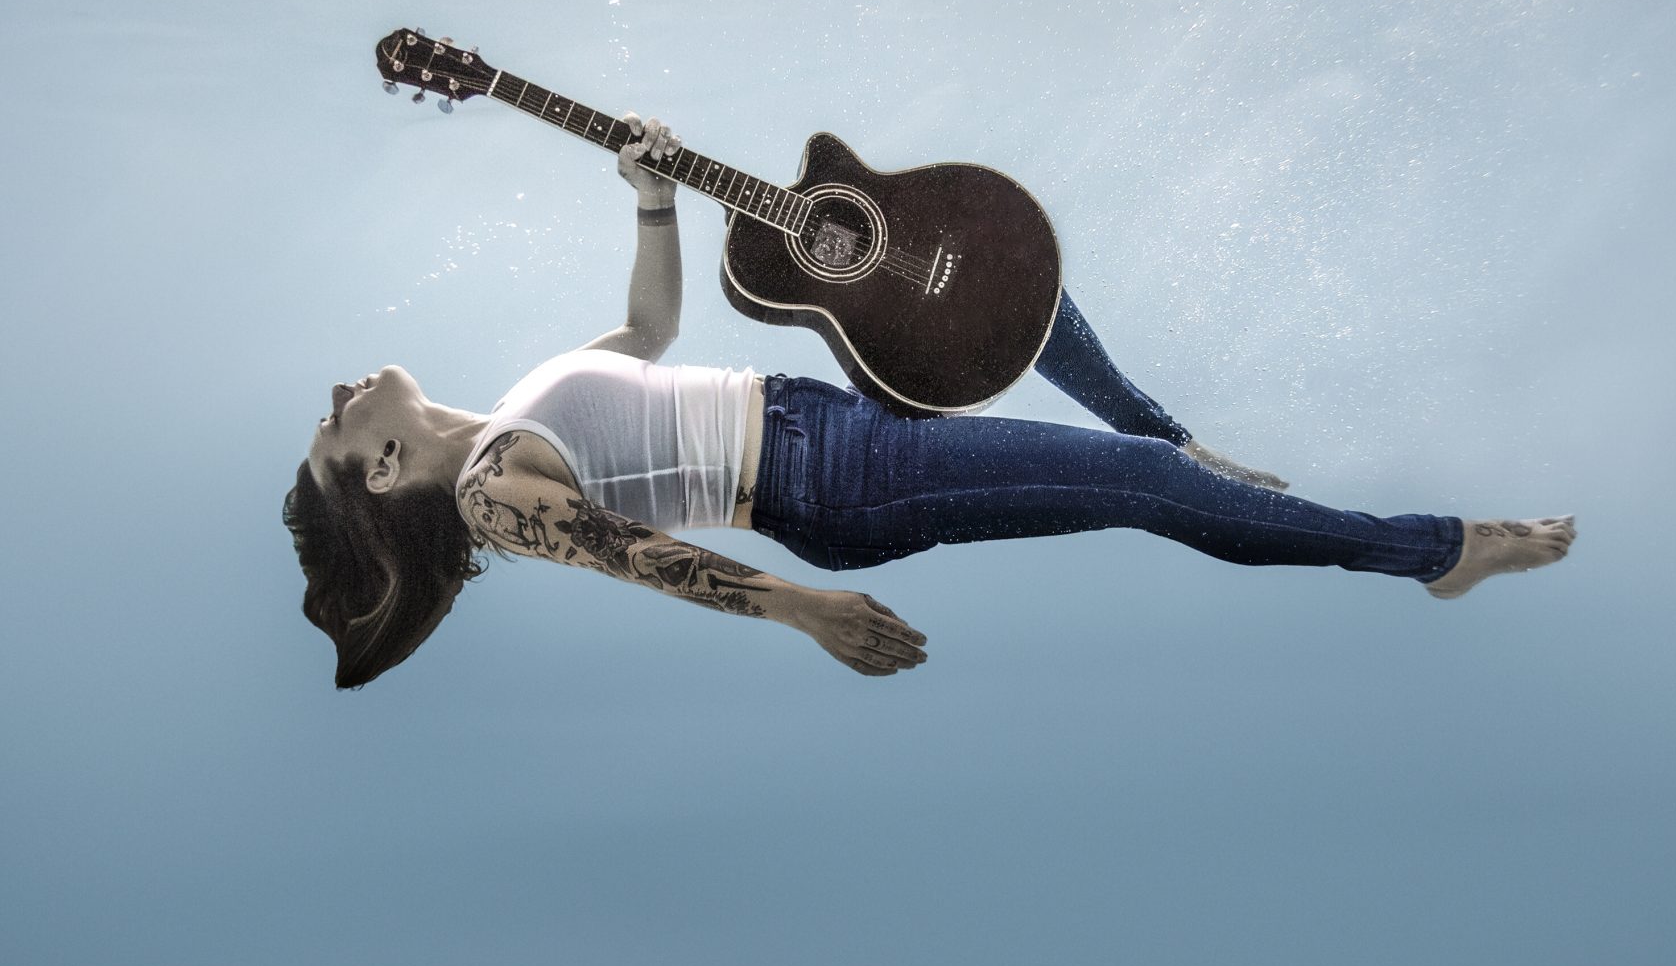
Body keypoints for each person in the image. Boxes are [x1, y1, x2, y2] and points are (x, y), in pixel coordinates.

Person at [284, 117, 1574, 685]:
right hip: (828, 481)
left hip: (816, 422)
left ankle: (1170, 434)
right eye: (333, 428)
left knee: (1000, 291)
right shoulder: (490, 493)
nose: (338, 394)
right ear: (382, 473)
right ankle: (1433, 552)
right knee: (1146, 499)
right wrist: (804, 612)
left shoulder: (515, 408)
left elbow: (651, 331)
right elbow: (647, 561)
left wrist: (650, 189)